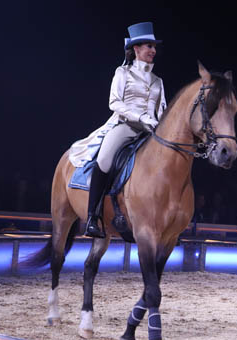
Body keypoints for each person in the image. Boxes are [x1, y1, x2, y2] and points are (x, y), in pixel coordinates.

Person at [68, 22, 166, 238]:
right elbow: (114, 103)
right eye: (148, 46)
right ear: (136, 49)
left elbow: (163, 110)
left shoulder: (158, 81)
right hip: (125, 127)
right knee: (104, 159)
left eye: (154, 47)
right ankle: (93, 217)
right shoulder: (123, 73)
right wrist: (141, 117)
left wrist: (162, 125)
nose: (153, 51)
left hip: (150, 132)